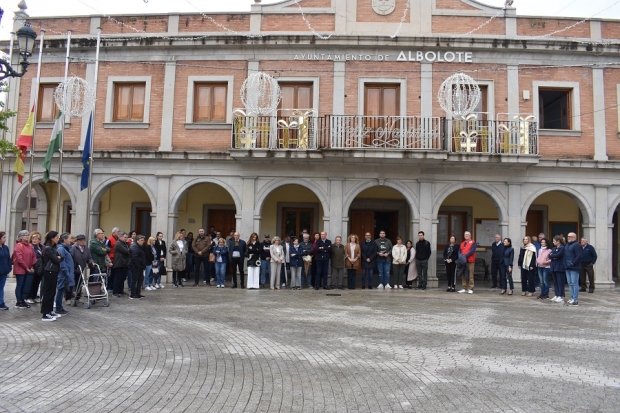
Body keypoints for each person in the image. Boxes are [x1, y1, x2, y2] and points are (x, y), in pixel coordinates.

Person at [40, 231, 62, 321]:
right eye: (57, 237)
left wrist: (58, 257)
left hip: (54, 271)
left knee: (52, 292)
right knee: (48, 292)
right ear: (52, 238)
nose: (58, 239)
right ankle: (45, 313)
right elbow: (57, 260)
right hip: (49, 271)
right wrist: (58, 258)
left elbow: (61, 257)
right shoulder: (48, 248)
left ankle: (50, 310)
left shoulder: (54, 248)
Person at [13, 230, 37, 309]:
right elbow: (20, 259)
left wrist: (32, 266)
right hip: (20, 269)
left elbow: (34, 256)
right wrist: (26, 267)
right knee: (20, 285)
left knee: (26, 285)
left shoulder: (29, 246)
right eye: (25, 235)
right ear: (20, 237)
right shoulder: (18, 246)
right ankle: (19, 301)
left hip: (29, 269)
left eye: (27, 235)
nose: (27, 236)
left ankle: (23, 299)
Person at [55, 233, 75, 316]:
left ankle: (59, 307)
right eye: (70, 238)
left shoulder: (66, 248)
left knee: (62, 290)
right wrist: (67, 273)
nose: (71, 240)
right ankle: (58, 308)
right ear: (65, 240)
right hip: (63, 274)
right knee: (60, 290)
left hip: (66, 273)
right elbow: (62, 263)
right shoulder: (61, 249)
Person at [71, 234, 94, 298]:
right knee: (74, 281)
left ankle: (78, 295)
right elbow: (71, 257)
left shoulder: (86, 248)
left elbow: (89, 257)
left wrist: (91, 262)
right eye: (81, 240)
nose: (82, 241)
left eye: (83, 240)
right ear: (77, 241)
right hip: (74, 268)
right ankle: (72, 295)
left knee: (80, 281)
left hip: (81, 268)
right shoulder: (74, 248)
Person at [564, 232, 582, 306]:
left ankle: (575, 299)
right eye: (568, 236)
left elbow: (579, 256)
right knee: (570, 283)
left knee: (574, 283)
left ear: (574, 237)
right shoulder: (567, 245)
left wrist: (573, 263)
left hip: (574, 267)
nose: (568, 238)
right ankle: (571, 298)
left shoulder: (577, 245)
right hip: (567, 267)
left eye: (570, 237)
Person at [26, 232, 44, 304]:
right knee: (32, 283)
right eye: (33, 239)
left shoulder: (42, 247)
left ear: (39, 240)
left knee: (37, 282)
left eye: (36, 239)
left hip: (40, 268)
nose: (34, 240)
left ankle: (34, 296)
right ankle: (29, 296)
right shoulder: (31, 247)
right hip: (34, 267)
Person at [113, 232, 131, 296]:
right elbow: (127, 251)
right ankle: (115, 291)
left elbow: (129, 250)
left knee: (123, 278)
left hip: (125, 263)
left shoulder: (126, 243)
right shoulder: (118, 243)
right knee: (118, 278)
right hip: (119, 263)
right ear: (120, 237)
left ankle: (120, 290)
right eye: (125, 237)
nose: (126, 239)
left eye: (127, 237)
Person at [549, 235, 567, 303]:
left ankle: (561, 295)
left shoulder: (562, 248)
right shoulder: (554, 248)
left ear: (558, 241)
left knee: (560, 282)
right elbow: (549, 255)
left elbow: (558, 255)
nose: (553, 242)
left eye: (554, 241)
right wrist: (553, 256)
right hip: (554, 267)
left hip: (560, 267)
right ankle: (556, 294)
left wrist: (553, 256)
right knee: (555, 282)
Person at [0, 232, 11, 311]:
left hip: (4, 271)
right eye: (4, 237)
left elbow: (8, 259)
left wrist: (9, 268)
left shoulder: (5, 247)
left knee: (1, 287)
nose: (5, 239)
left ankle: (1, 302)